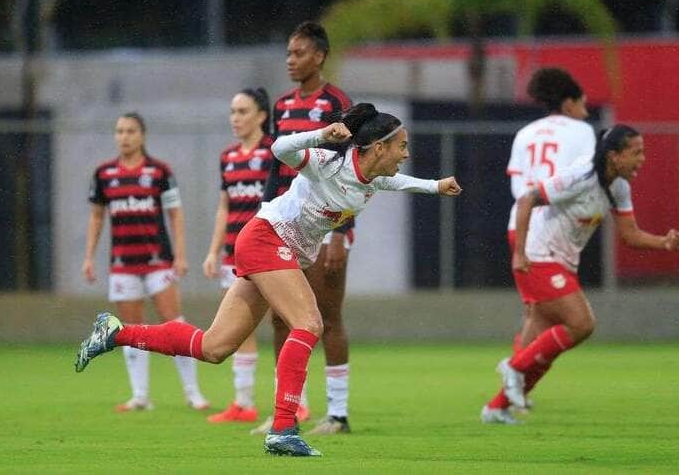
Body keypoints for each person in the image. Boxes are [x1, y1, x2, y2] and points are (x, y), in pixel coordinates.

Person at [75, 103, 462, 456]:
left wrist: (435, 186)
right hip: (265, 238)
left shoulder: (372, 179)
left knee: (214, 347)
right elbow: (280, 151)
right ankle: (283, 427)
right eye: (402, 145)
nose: (406, 154)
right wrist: (321, 134)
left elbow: (397, 182)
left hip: (274, 247)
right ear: (378, 147)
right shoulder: (328, 162)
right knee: (310, 322)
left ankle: (115, 332)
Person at [481, 124, 679, 424]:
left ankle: (496, 408)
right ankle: (514, 366)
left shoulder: (619, 187)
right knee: (581, 323)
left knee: (542, 348)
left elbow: (630, 234)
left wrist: (662, 242)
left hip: (563, 262)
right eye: (636, 152)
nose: (642, 159)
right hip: (538, 255)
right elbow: (526, 200)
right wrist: (520, 253)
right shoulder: (581, 176)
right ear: (614, 156)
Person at [253, 20, 356, 436]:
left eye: (299, 53)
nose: (291, 61)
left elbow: (352, 172)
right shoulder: (281, 106)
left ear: (320, 56)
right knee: (280, 319)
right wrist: (262, 215)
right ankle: (289, 410)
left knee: (327, 317)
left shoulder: (337, 102)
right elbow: (277, 170)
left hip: (325, 224)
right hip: (283, 223)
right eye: (288, 54)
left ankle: (338, 414)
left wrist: (339, 234)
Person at [83, 112, 208, 413]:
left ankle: (193, 393)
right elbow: (97, 216)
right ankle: (140, 395)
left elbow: (175, 214)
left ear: (142, 135)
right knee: (131, 329)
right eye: (119, 131)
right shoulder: (104, 174)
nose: (123, 136)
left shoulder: (159, 172)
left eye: (130, 131)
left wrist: (180, 255)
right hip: (123, 264)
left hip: (158, 262)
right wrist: (88, 257)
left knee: (174, 324)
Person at [503, 68, 596, 409]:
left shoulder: (526, 133)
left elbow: (518, 189)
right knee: (574, 320)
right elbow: (583, 177)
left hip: (520, 223)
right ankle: (515, 376)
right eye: (583, 103)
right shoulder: (583, 131)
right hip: (552, 225)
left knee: (536, 313)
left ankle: (514, 392)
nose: (585, 110)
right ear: (569, 102)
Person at [202, 88, 274, 423]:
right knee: (239, 330)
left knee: (283, 324)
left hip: (270, 253)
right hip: (234, 255)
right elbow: (224, 208)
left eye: (243, 111)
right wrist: (214, 251)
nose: (235, 118)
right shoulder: (228, 157)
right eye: (233, 111)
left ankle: (295, 400)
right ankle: (244, 404)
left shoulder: (276, 152)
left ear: (261, 115)